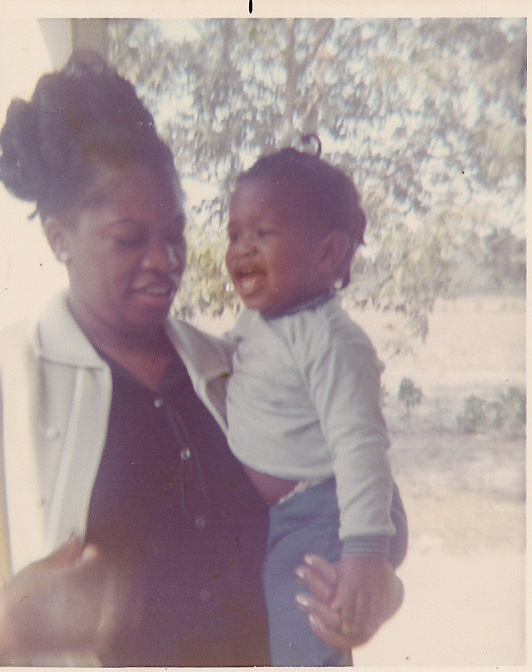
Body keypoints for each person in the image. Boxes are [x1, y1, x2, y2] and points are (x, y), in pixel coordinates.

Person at [0, 53, 398, 667]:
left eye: (175, 234)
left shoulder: (228, 367)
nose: (165, 260)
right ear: (58, 237)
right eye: (129, 239)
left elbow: (349, 496)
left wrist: (373, 593)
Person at [224, 143, 409, 666]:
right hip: (297, 516)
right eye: (234, 235)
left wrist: (364, 553)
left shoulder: (331, 340)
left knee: (308, 627)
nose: (241, 250)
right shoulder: (260, 323)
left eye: (263, 234)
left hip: (331, 514)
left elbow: (361, 445)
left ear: (328, 254)